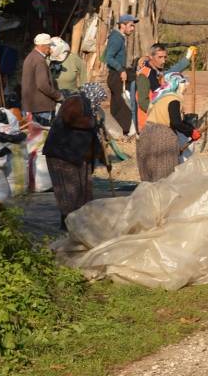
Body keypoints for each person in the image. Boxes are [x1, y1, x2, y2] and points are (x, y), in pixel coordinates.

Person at [43, 83, 107, 229]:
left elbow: (93, 137)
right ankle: (68, 225)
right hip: (63, 155)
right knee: (69, 193)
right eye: (99, 99)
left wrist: (101, 155)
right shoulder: (75, 101)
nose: (99, 102)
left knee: (82, 193)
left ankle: (79, 225)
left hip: (78, 156)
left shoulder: (91, 109)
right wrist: (92, 123)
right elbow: (69, 118)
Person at [137, 73, 200, 182]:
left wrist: (189, 129)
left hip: (145, 135)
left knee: (149, 179)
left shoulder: (159, 99)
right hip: (162, 138)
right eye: (183, 83)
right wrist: (191, 132)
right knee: (164, 178)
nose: (186, 86)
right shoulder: (173, 99)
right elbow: (175, 122)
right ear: (177, 84)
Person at [134, 44, 197, 131]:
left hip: (160, 123)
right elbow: (142, 102)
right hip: (149, 125)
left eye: (165, 57)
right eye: (160, 57)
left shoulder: (158, 72)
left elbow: (172, 71)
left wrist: (187, 58)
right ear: (151, 57)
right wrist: (161, 112)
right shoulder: (144, 74)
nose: (163, 61)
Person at [102, 15, 137, 136]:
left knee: (117, 104)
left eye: (133, 25)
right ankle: (127, 131)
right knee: (122, 104)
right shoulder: (116, 38)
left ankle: (118, 131)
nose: (133, 28)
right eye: (131, 25)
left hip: (116, 74)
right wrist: (121, 70)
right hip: (116, 75)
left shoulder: (119, 37)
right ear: (122, 25)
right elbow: (108, 58)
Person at [20, 33, 63, 126]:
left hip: (31, 106)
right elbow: (43, 85)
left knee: (32, 138)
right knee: (43, 137)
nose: (50, 49)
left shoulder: (31, 57)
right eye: (49, 46)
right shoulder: (39, 60)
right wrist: (58, 96)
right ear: (42, 46)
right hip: (41, 108)